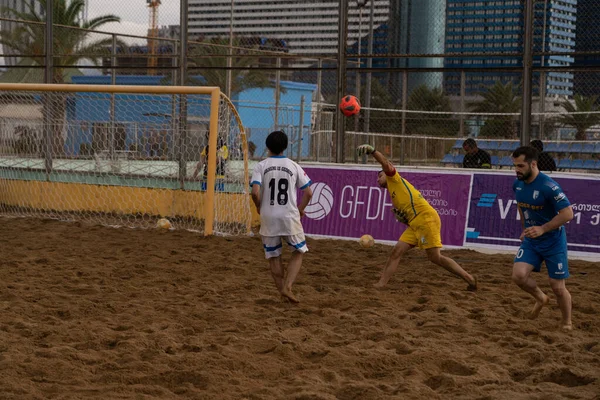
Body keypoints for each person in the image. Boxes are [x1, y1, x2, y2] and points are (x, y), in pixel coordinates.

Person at [356, 144, 478, 291]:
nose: (378, 180)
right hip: (415, 223)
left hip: (426, 219)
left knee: (435, 258)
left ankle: (469, 278)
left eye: (380, 176)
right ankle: (381, 284)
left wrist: (372, 151)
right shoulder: (394, 194)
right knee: (396, 251)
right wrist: (404, 220)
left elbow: (385, 163)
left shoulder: (394, 178)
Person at [511, 146, 574, 330]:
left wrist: (543, 228)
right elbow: (522, 207)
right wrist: (524, 229)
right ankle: (541, 298)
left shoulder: (549, 186)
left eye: (521, 166)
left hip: (553, 240)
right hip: (532, 239)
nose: (517, 170)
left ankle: (566, 322)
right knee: (518, 276)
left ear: (533, 164)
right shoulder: (518, 184)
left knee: (557, 287)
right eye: (515, 166)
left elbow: (568, 213)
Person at [251, 131, 313, 303]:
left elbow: (255, 192)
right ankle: (288, 287)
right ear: (285, 147)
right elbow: (308, 192)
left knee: (273, 255)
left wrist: (258, 206)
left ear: (267, 146)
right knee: (299, 250)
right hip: (289, 215)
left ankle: (282, 294)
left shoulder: (260, 166)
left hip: (268, 216)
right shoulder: (294, 166)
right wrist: (300, 209)